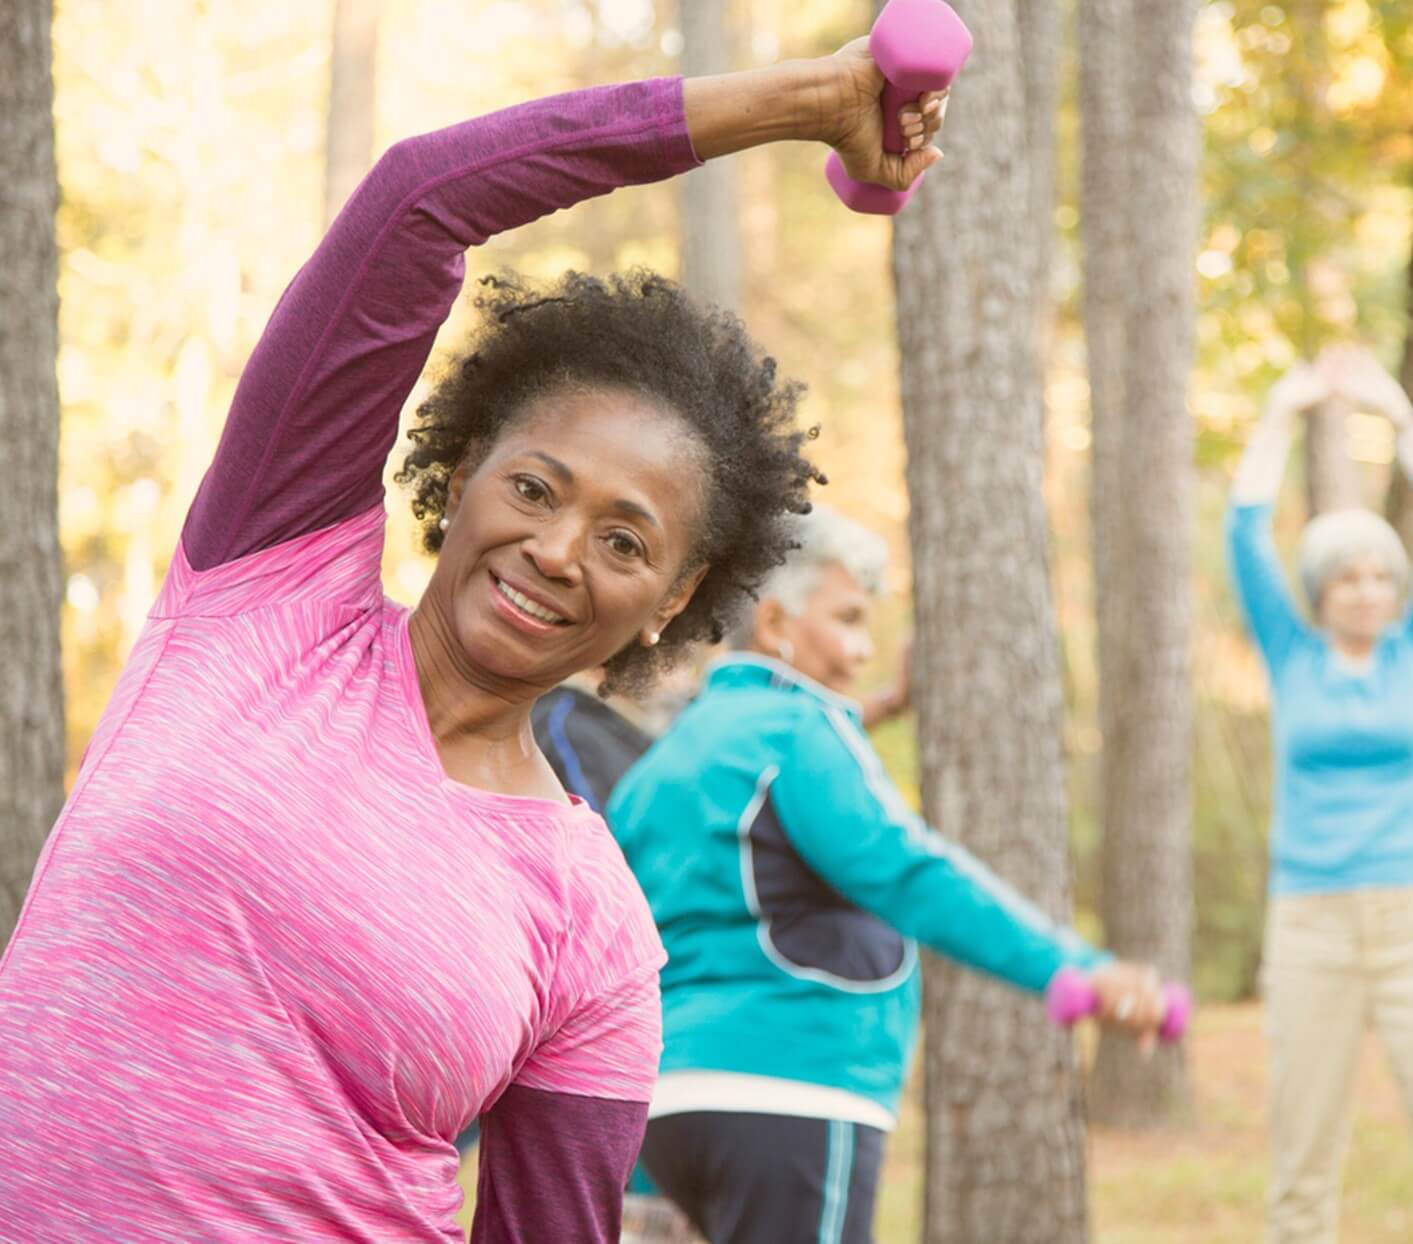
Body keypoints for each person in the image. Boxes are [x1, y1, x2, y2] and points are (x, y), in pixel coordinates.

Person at [0, 43, 951, 1243]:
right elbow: (420, 200)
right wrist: (801, 103)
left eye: (624, 540)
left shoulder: (593, 921)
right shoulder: (266, 587)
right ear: (461, 475)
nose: (558, 550)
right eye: (538, 486)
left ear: (674, 593)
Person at [610, 503, 1171, 1244]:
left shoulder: (663, 762)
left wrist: (874, 710)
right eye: (847, 620)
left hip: (663, 1107)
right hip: (794, 1090)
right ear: (777, 626)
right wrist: (1077, 970)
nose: (861, 648)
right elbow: (910, 875)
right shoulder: (801, 729)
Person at [1226, 346, 1413, 1244]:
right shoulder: (1292, 654)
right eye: (1347, 576)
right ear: (1318, 592)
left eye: (1381, 575)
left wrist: (1397, 414)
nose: (1367, 589)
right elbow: (1242, 533)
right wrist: (1281, 412)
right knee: (1300, 1169)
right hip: (1311, 922)